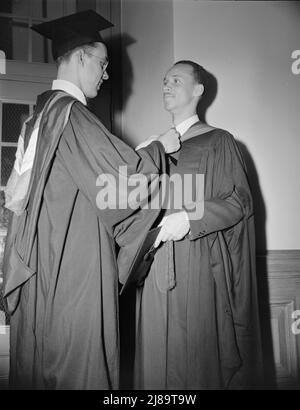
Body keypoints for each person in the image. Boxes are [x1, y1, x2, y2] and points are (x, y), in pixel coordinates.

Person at [2, 10, 180, 390]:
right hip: (71, 268)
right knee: (78, 366)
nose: (106, 73)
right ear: (81, 57)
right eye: (102, 63)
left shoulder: (36, 119)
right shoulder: (71, 116)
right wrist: (158, 149)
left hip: (39, 267)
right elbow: (121, 185)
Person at [132, 60, 263, 389]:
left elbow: (239, 201)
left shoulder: (218, 142)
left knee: (195, 361)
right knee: (153, 361)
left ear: (198, 90)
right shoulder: (151, 147)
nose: (167, 85)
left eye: (176, 80)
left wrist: (189, 218)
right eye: (164, 80)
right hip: (152, 268)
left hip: (198, 264)